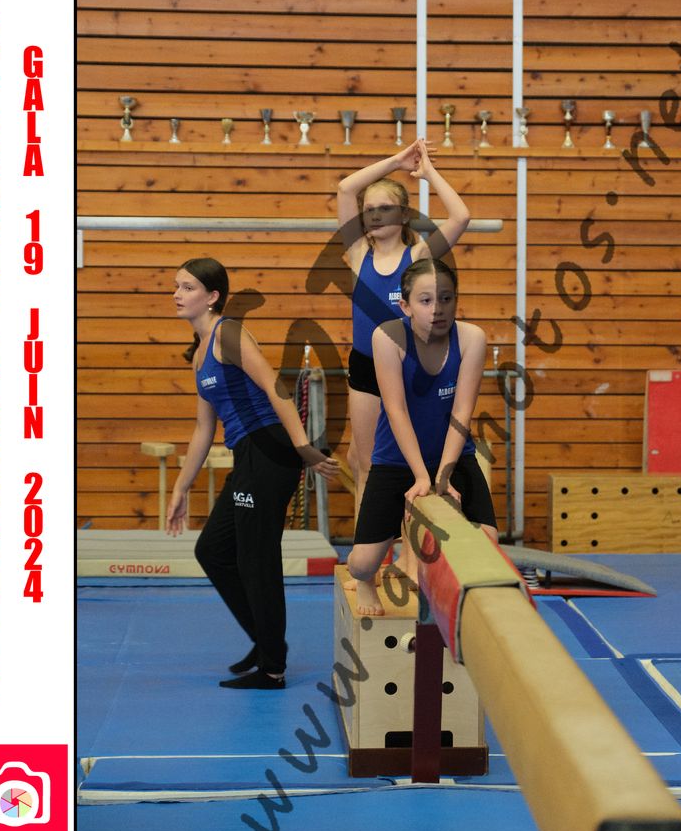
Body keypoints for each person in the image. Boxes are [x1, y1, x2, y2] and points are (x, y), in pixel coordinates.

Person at [165, 258, 339, 688]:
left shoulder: (229, 334)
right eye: (177, 286)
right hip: (247, 455)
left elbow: (276, 388)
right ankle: (264, 641)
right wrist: (181, 488)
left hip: (269, 449)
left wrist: (303, 447)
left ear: (212, 297)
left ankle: (272, 667)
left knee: (256, 558)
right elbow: (204, 428)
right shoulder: (200, 354)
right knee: (213, 550)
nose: (177, 294)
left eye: (187, 287)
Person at [337, 139, 470, 579]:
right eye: (369, 209)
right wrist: (396, 160)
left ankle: (410, 559)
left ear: (404, 215)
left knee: (408, 466)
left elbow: (461, 217)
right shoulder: (358, 254)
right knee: (367, 465)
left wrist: (427, 172)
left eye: (385, 208)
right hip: (365, 367)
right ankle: (370, 559)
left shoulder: (417, 257)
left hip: (408, 369)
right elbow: (345, 188)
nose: (375, 216)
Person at [346, 258, 498, 615]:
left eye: (446, 299)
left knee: (488, 547)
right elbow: (396, 409)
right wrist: (420, 476)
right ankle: (367, 580)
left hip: (453, 455)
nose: (437, 309)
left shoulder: (472, 338)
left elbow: (462, 412)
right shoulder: (387, 337)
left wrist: (443, 474)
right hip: (396, 458)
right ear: (405, 305)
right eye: (426, 300)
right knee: (362, 563)